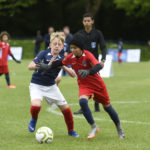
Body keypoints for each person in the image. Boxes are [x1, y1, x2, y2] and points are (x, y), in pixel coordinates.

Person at [37, 33, 125, 139]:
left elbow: (98, 66)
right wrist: (48, 66)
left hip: (97, 84)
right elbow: (60, 62)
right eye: (71, 48)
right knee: (82, 102)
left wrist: (88, 72)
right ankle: (93, 126)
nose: (73, 50)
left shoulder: (88, 55)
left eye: (75, 48)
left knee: (107, 108)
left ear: (81, 48)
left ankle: (119, 129)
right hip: (84, 85)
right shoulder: (71, 57)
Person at [28, 32, 79, 137]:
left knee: (66, 109)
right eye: (54, 44)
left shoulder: (63, 58)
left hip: (51, 86)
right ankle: (34, 119)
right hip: (36, 84)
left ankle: (71, 131)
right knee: (36, 105)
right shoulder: (43, 53)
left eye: (59, 44)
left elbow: (73, 75)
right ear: (50, 44)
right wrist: (43, 66)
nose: (56, 46)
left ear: (62, 46)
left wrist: (63, 66)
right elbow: (30, 66)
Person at [74, 13, 107, 114]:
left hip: (94, 64)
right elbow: (74, 46)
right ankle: (83, 107)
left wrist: (103, 60)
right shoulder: (79, 34)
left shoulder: (97, 33)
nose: (87, 23)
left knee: (96, 84)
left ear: (92, 21)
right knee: (83, 85)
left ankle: (97, 104)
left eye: (88, 21)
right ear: (82, 22)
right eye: (85, 21)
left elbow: (103, 47)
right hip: (82, 63)